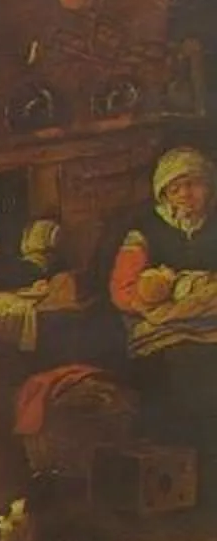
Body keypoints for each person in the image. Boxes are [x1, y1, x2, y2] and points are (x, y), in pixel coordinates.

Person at [109, 143, 217, 444]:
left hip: (210, 323)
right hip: (159, 329)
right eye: (175, 188)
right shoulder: (145, 231)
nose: (185, 194)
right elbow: (122, 290)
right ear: (163, 194)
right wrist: (162, 298)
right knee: (181, 368)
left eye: (192, 185)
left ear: (207, 187)